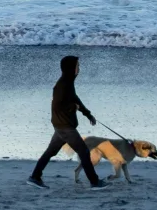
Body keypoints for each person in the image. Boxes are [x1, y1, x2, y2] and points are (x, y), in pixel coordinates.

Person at [29, 54, 104, 187]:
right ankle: (94, 182)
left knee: (50, 152)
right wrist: (72, 107)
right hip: (65, 126)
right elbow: (58, 104)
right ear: (70, 68)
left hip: (61, 125)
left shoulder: (68, 82)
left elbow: (75, 99)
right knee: (84, 152)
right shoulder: (62, 85)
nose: (79, 68)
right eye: (77, 66)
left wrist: (88, 114)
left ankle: (35, 177)